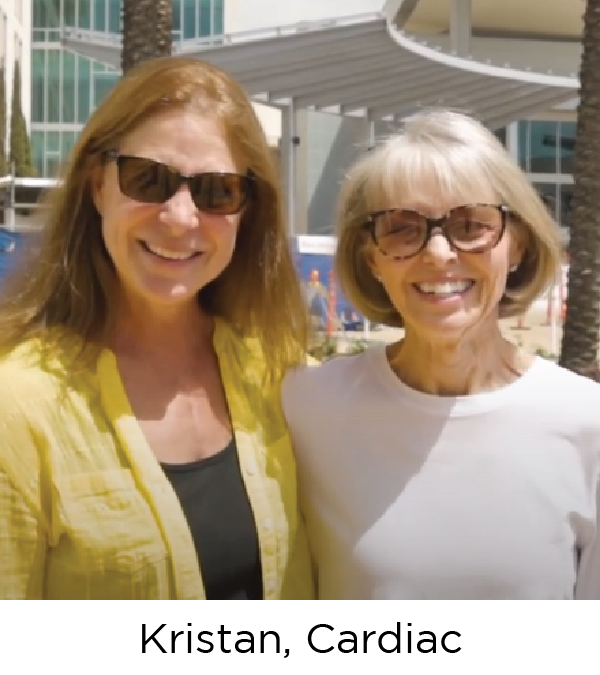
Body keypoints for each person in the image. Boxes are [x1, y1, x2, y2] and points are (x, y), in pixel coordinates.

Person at [0, 57, 313, 600]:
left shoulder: (280, 374)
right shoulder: (18, 405)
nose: (180, 217)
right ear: (98, 187)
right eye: (149, 179)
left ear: (248, 210)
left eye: (217, 191)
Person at [282, 109, 600, 600]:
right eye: (402, 228)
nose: (437, 253)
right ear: (372, 258)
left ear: (515, 245)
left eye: (471, 225)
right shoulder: (309, 406)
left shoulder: (586, 421)